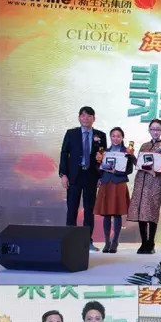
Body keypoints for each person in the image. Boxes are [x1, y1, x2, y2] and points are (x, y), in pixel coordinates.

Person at [59, 106, 107, 251]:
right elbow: (64, 153)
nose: (86, 118)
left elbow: (103, 157)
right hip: (74, 176)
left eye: (89, 116)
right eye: (83, 115)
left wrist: (101, 176)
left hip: (91, 176)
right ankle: (70, 241)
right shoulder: (71, 133)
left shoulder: (100, 135)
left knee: (89, 210)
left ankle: (87, 241)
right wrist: (63, 174)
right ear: (79, 117)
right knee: (72, 209)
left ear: (94, 118)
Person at [127, 119, 161, 254]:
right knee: (141, 211)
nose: (155, 131)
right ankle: (143, 242)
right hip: (141, 181)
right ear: (149, 130)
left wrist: (152, 170)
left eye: (158, 129)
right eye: (153, 129)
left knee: (152, 211)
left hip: (154, 181)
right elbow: (139, 163)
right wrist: (131, 156)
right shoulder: (144, 145)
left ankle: (151, 242)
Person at [93, 127, 134, 253]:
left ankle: (115, 241)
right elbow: (99, 169)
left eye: (118, 136)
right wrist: (98, 162)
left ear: (122, 138)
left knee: (117, 214)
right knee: (106, 214)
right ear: (110, 137)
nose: (116, 138)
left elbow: (129, 170)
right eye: (113, 136)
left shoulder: (127, 152)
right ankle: (107, 242)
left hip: (118, 183)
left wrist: (116, 171)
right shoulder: (104, 151)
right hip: (106, 183)